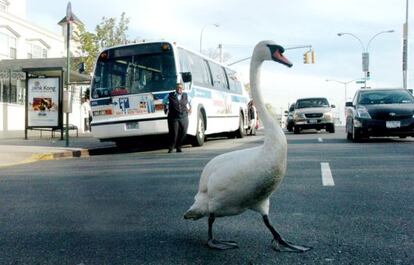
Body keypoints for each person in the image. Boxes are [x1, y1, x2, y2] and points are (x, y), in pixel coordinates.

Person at [163, 83, 192, 153]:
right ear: (176, 88)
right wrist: (166, 108)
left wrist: (190, 108)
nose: (179, 89)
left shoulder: (185, 95)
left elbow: (191, 102)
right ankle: (171, 147)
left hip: (184, 116)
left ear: (182, 89)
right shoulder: (170, 95)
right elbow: (164, 102)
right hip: (173, 117)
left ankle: (179, 146)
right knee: (174, 133)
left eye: (181, 88)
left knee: (184, 132)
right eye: (178, 88)